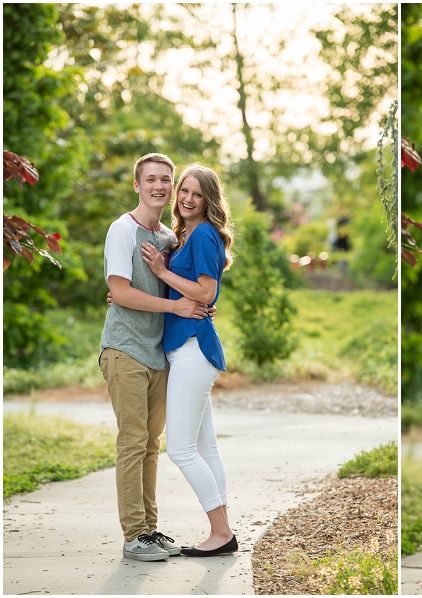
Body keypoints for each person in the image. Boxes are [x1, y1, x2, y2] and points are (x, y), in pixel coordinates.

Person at [99, 153, 211, 562]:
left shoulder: (168, 237)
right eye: (151, 179)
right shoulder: (121, 230)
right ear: (137, 185)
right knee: (132, 443)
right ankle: (133, 536)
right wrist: (176, 308)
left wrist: (195, 302)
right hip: (124, 348)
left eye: (167, 179)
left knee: (150, 445)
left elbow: (183, 284)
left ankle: (149, 529)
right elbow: (123, 292)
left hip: (157, 354)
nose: (160, 186)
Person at [140, 163, 237, 557]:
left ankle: (221, 532)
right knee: (205, 447)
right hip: (190, 349)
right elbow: (189, 294)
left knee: (180, 449)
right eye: (185, 191)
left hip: (193, 350)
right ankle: (223, 532)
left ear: (208, 200)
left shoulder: (204, 235)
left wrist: (162, 271)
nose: (187, 199)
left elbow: (206, 292)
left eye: (197, 194)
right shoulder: (187, 236)